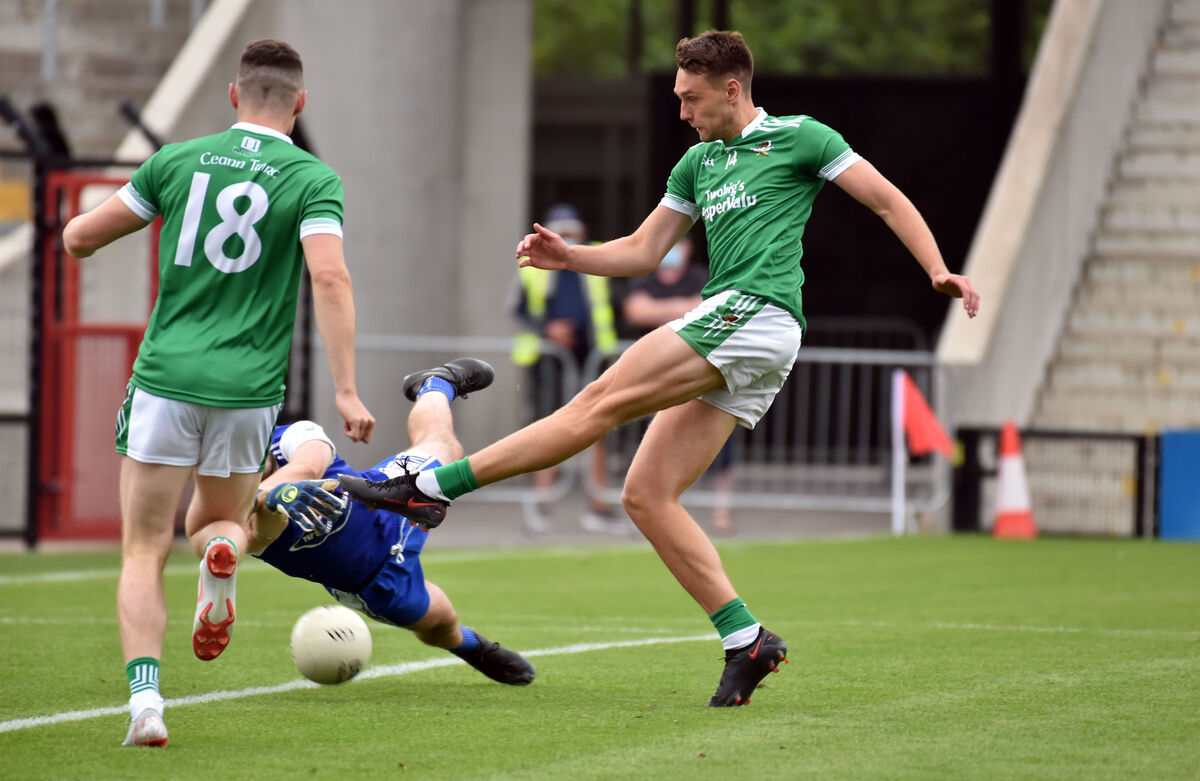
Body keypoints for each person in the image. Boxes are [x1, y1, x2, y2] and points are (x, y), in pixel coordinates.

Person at [339, 30, 979, 707]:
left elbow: (885, 198)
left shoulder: (801, 137)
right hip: (744, 334)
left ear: (732, 89)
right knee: (646, 493)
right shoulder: (698, 163)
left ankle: (432, 486)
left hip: (754, 314)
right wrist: (571, 257)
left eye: (692, 98)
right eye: (678, 98)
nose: (681, 112)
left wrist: (936, 268)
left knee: (599, 399)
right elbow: (644, 250)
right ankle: (746, 640)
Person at [60, 38, 375, 747]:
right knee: (220, 522)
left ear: (233, 96)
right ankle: (219, 558)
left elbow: (82, 237)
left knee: (143, 548)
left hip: (167, 378)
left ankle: (146, 704)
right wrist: (348, 391)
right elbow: (329, 277)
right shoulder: (312, 178)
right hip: (248, 390)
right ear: (299, 104)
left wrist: (76, 232)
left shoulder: (176, 161)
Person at [247, 358, 536, 688]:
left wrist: (278, 489)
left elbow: (311, 465)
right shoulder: (231, 508)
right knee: (441, 624)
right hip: (374, 582)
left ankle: (436, 384)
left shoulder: (291, 435)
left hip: (384, 497)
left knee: (445, 447)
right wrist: (265, 500)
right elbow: (257, 534)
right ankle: (470, 647)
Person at [509, 203, 623, 534]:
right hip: (549, 361)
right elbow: (517, 310)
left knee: (599, 427)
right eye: (560, 230)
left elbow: (617, 305)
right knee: (546, 427)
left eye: (572, 231)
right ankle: (542, 505)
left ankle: (599, 507)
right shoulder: (529, 264)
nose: (566, 237)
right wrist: (549, 330)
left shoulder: (600, 255)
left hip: (593, 358)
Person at [621, 235, 736, 535]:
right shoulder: (644, 278)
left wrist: (662, 309)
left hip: (698, 372)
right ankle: (650, 507)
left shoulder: (700, 276)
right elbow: (636, 311)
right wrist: (687, 309)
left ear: (688, 248)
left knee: (719, 443)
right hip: (655, 374)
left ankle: (719, 511)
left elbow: (715, 309)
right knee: (646, 441)